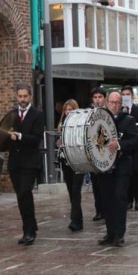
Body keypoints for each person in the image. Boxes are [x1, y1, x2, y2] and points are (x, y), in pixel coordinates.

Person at [98, 92, 138, 246]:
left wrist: (120, 144)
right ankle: (110, 233)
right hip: (106, 166)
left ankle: (119, 234)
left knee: (119, 198)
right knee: (107, 199)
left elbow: (137, 140)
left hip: (122, 165)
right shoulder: (101, 119)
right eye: (111, 102)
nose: (114, 105)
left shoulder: (128, 120)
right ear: (106, 103)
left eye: (117, 102)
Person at [7, 84, 45, 245]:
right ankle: (29, 227)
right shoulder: (12, 114)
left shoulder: (37, 115)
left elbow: (36, 138)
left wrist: (20, 136)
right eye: (20, 96)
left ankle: (29, 231)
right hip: (15, 162)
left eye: (25, 96)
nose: (22, 99)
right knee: (20, 196)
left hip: (30, 161)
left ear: (30, 97)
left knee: (25, 193)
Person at [57, 99, 83, 231]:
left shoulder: (80, 123)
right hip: (65, 159)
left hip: (78, 160)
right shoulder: (62, 124)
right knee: (70, 189)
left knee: (76, 190)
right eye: (66, 110)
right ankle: (78, 218)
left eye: (71, 109)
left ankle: (75, 220)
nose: (68, 112)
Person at [121, 85, 138, 211]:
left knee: (136, 172)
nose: (125, 97)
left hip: (136, 148)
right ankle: (128, 199)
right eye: (123, 94)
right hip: (125, 147)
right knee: (127, 173)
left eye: (127, 94)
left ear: (132, 96)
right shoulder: (120, 111)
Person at [90, 87, 107, 221]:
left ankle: (107, 208)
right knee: (95, 183)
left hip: (106, 151)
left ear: (104, 99)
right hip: (94, 151)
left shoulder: (108, 112)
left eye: (100, 97)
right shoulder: (90, 113)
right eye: (95, 98)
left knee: (105, 183)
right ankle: (99, 210)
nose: (97, 100)